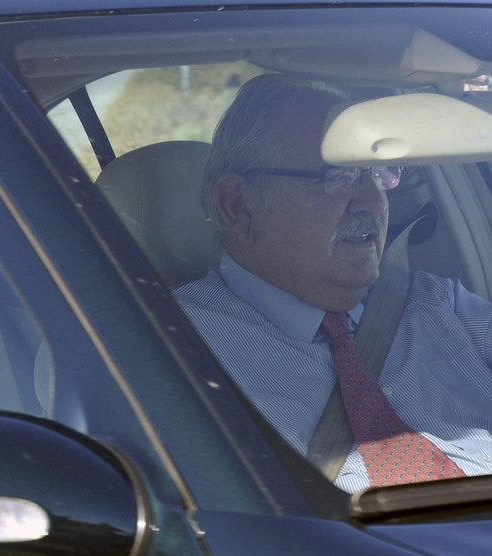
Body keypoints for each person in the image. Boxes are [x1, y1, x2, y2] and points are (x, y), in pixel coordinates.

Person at [174, 73, 492, 493]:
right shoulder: (172, 348)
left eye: (378, 174)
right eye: (337, 177)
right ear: (238, 206)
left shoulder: (440, 305)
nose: (373, 202)